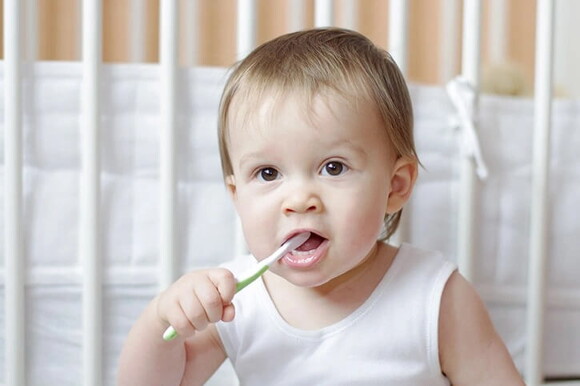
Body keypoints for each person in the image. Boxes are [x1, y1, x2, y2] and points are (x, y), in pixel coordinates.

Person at [118, 28, 524, 385]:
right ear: (236, 195)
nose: (298, 201)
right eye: (268, 173)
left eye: (333, 167)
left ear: (395, 187)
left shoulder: (436, 296)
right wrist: (162, 320)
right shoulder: (236, 300)